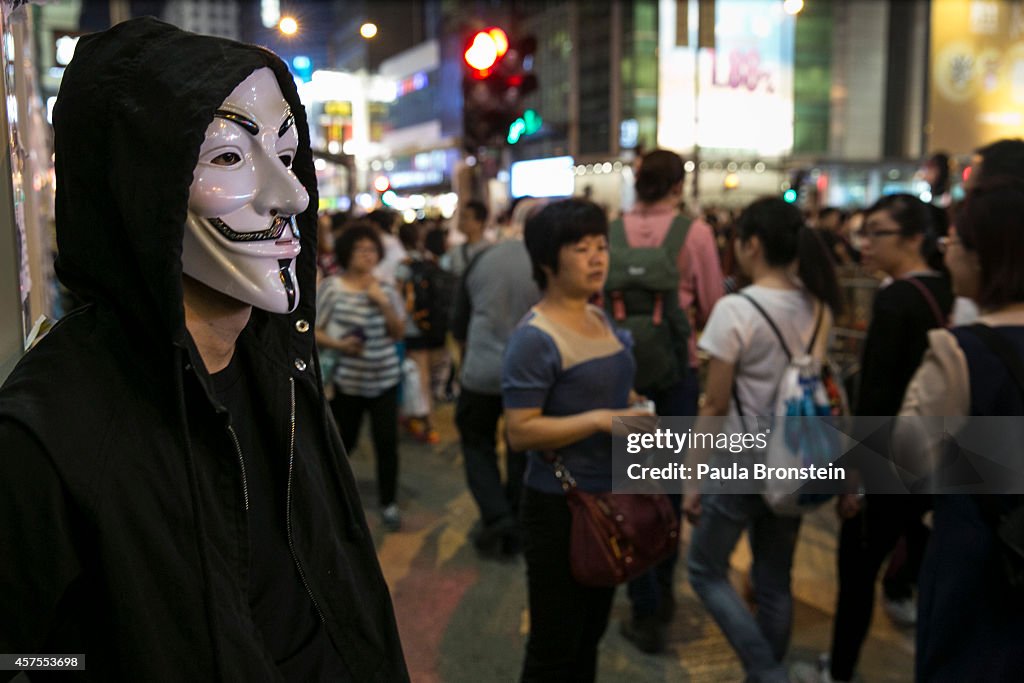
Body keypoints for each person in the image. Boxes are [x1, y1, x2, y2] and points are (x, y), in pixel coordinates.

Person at [0, 18, 407, 681]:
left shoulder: (280, 358)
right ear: (135, 190)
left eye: (286, 149)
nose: (293, 195)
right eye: (228, 157)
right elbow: (17, 653)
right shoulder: (47, 432)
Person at [793, 194, 952, 683]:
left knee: (857, 573)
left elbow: (878, 394)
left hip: (887, 459)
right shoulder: (949, 292)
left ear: (912, 239)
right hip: (937, 455)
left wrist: (854, 474)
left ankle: (840, 670)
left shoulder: (896, 298)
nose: (865, 242)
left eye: (877, 232)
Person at [684, 197, 841, 683]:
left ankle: (766, 671)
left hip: (739, 461)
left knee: (705, 570)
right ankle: (765, 672)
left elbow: (713, 404)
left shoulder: (736, 309)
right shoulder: (818, 306)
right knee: (774, 582)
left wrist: (691, 475)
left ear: (751, 244)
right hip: (795, 459)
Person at [503, 199, 655, 682]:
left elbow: (608, 393)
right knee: (555, 645)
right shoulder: (535, 336)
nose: (597, 258)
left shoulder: (599, 317)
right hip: (560, 508)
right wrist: (598, 420)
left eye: (602, 246)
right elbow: (520, 430)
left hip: (611, 497)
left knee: (590, 634)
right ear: (548, 260)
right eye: (581, 248)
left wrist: (631, 405)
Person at [898, 177, 1024, 681]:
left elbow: (909, 458)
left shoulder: (959, 353)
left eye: (956, 242)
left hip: (982, 562)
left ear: (985, 257)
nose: (946, 251)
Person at [617, 148, 725, 652]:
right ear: (677, 185)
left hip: (625, 373)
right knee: (671, 488)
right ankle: (664, 595)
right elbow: (714, 306)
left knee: (635, 484)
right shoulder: (695, 233)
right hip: (677, 372)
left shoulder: (612, 230)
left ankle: (642, 602)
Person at [451, 235, 540, 558]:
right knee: (522, 446)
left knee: (477, 443)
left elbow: (459, 321)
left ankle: (497, 515)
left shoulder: (483, 258)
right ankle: (515, 514)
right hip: (530, 372)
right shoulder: (547, 260)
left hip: (481, 369)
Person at [316, 222, 406, 531]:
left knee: (387, 444)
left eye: (372, 249)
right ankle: (333, 498)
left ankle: (388, 502)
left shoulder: (387, 287)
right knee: (345, 442)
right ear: (346, 253)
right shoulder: (332, 287)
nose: (367, 255)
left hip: (384, 380)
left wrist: (383, 304)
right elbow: (312, 331)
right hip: (349, 382)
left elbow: (399, 333)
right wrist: (340, 344)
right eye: (360, 249)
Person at [446, 199, 491, 277]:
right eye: (462, 217)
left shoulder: (490, 250)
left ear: (479, 223)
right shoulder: (456, 251)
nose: (461, 221)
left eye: (466, 217)